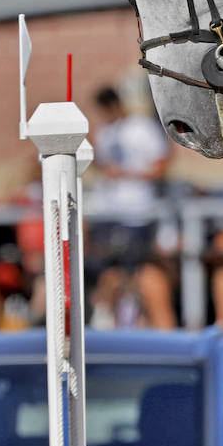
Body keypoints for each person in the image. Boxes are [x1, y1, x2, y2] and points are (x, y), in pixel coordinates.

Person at [88, 85, 177, 328]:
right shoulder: (104, 132)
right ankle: (111, 322)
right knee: (111, 274)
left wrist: (126, 174)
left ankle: (147, 324)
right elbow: (100, 165)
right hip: (108, 213)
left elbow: (161, 166)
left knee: (141, 273)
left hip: (138, 213)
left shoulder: (142, 127)